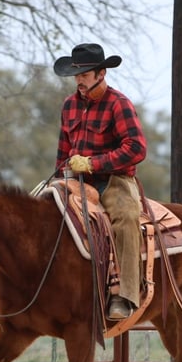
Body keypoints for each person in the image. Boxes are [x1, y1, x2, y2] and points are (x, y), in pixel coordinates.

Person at [53, 43, 147, 321]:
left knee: (126, 218)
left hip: (113, 179)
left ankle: (125, 295)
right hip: (74, 179)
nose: (79, 79)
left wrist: (95, 163)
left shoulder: (119, 104)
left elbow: (136, 148)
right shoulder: (69, 105)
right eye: (76, 74)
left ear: (101, 73)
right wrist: (61, 174)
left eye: (85, 74)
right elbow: (62, 150)